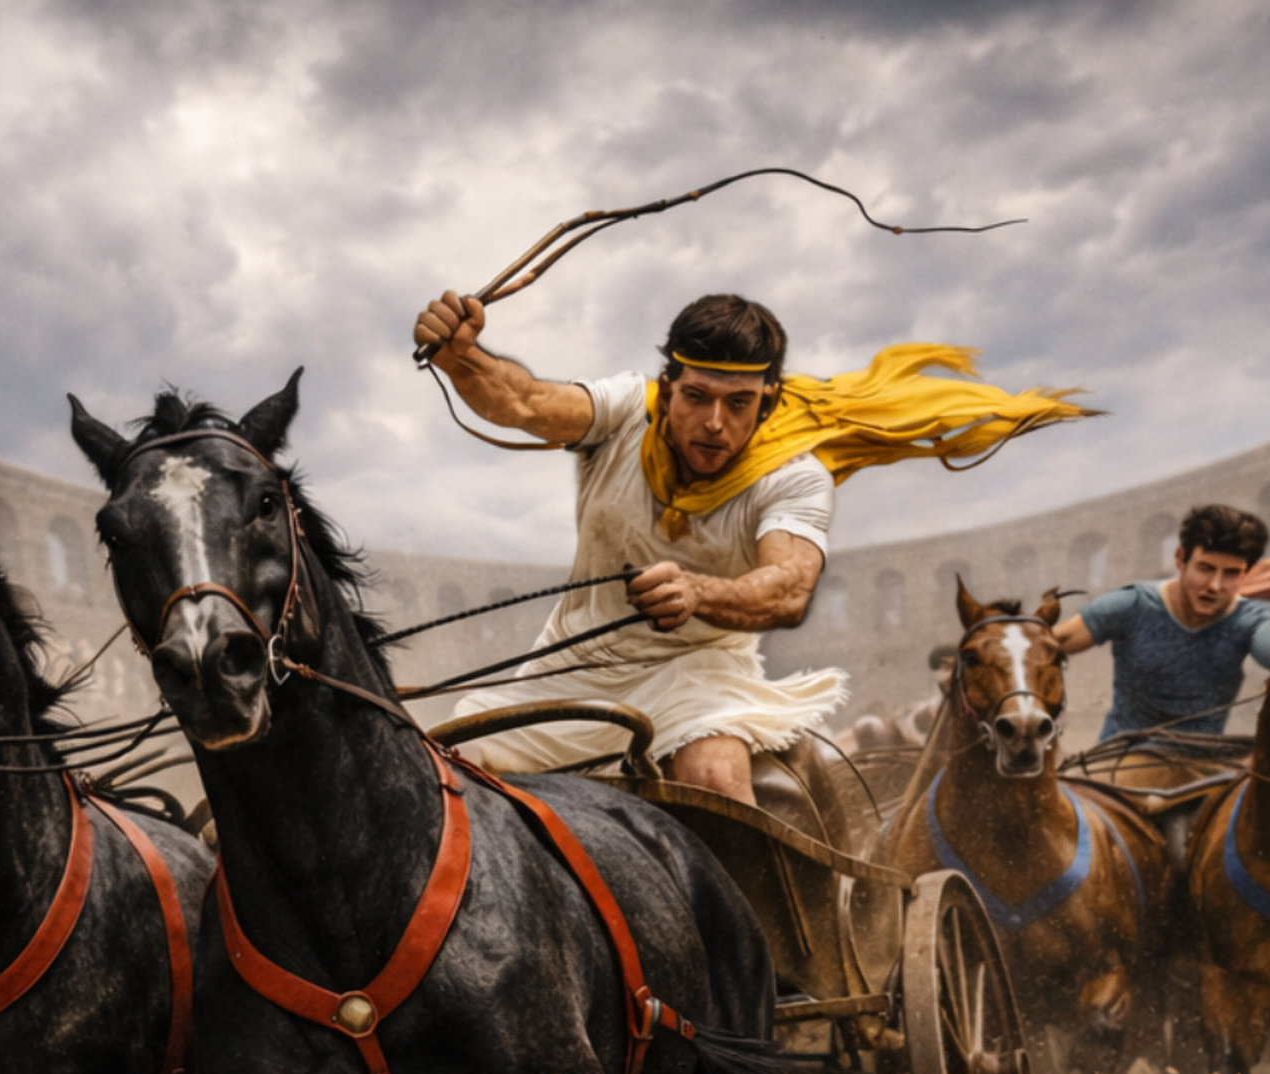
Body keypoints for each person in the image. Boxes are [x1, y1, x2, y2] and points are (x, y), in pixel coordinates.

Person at [415, 289, 1086, 804]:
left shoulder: (793, 475)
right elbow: (525, 401)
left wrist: (699, 590)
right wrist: (459, 355)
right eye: (697, 397)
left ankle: (743, 971)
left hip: (699, 675)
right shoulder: (624, 410)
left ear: (766, 403)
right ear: (667, 388)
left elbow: (788, 587)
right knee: (446, 772)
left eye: (738, 403)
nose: (714, 422)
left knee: (713, 777)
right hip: (572, 664)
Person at [1057, 504, 1270, 769]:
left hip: (1201, 770)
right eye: (1206, 568)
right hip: (1118, 764)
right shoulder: (1131, 604)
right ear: (1181, 558)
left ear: (1245, 574)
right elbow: (1050, 644)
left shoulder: (1251, 618)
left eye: (1230, 574)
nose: (1214, 586)